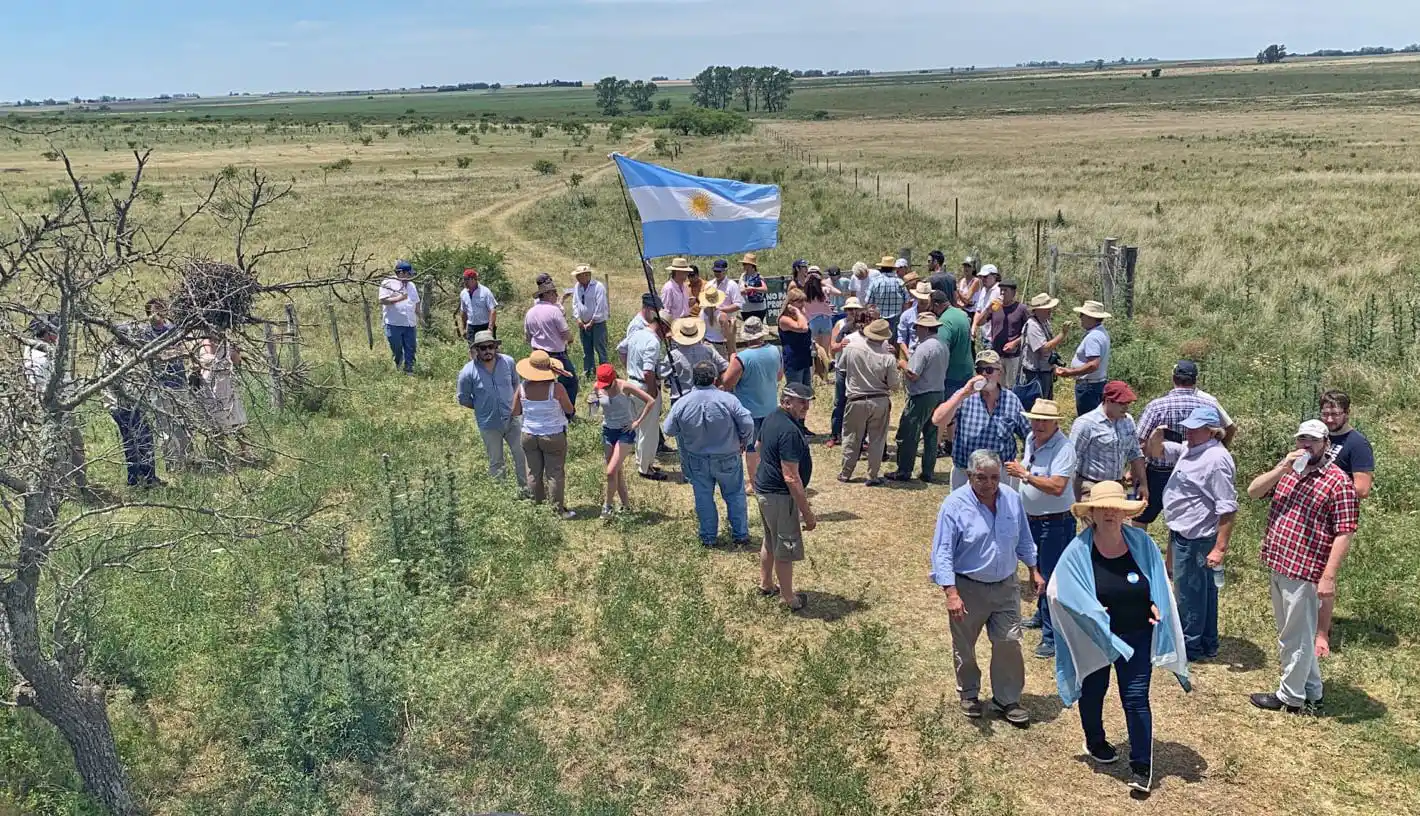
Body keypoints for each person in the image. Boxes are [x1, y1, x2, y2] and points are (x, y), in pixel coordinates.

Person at [1048, 481, 1190, 794]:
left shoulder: (1141, 542)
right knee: (1094, 690)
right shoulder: (1078, 551)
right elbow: (1057, 591)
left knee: (1136, 697)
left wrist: (1156, 603)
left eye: (1116, 507)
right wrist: (1092, 611)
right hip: (1098, 638)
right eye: (1103, 508)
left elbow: (1158, 583)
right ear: (1093, 514)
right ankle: (1095, 741)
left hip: (1138, 633)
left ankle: (1141, 766)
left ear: (1124, 512)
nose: (1110, 512)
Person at [1246, 420, 1359, 716]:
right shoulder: (1290, 471)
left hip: (1307, 569)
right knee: (1294, 631)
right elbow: (1253, 492)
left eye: (1312, 441)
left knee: (1294, 636)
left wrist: (1329, 577)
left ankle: (1290, 698)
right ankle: (1311, 690)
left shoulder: (1337, 481)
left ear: (1325, 445)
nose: (1305, 446)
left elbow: (1345, 531)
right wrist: (1281, 468)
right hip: (1280, 561)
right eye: (1301, 440)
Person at [931, 449, 1043, 726]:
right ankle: (969, 693)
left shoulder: (1012, 500)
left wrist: (1033, 570)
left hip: (1006, 586)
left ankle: (1007, 699)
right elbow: (942, 552)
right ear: (969, 476)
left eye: (994, 477)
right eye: (981, 478)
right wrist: (951, 592)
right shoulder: (954, 506)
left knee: (1008, 641)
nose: (989, 484)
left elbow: (1024, 539)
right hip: (968, 588)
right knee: (965, 645)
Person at [1144, 405, 1237, 663]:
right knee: (1201, 592)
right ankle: (1206, 642)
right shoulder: (1190, 449)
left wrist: (1219, 548)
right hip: (1185, 533)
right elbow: (1156, 451)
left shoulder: (1216, 460)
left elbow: (1227, 507)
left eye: (1195, 428)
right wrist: (1157, 433)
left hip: (1198, 537)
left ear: (1210, 431)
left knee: (1189, 594)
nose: (1188, 431)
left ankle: (1189, 646)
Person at [1004, 399, 1077, 658]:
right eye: (1035, 419)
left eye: (1044, 421)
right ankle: (1041, 614)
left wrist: (1024, 475)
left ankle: (1052, 637)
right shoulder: (1031, 439)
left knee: (1050, 578)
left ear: (1056, 422)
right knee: (1037, 573)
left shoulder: (1064, 448)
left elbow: (1057, 487)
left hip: (1055, 522)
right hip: (1033, 519)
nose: (1038, 425)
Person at [663, 361, 755, 547]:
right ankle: (740, 535)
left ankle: (708, 538)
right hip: (727, 456)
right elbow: (747, 423)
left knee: (703, 498)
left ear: (693, 379)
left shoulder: (682, 403)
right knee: (735, 495)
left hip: (697, 459)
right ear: (715, 379)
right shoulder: (728, 400)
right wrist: (744, 440)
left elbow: (669, 429)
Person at [1134, 361, 1237, 529]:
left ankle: (1137, 553)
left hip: (1158, 471)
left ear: (1173, 378)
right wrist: (1218, 449)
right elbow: (1230, 428)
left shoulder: (1157, 406)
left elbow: (1139, 443)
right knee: (1183, 523)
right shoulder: (1209, 404)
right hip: (1195, 470)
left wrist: (1135, 471)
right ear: (1195, 380)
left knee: (1140, 518)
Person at [1316, 389, 1374, 657]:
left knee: (1327, 574)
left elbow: (1362, 488)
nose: (1329, 418)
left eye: (1334, 413)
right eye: (1325, 412)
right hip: (1311, 515)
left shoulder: (1357, 443)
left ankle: (1322, 634)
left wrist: (1330, 487)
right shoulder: (1319, 436)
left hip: (1337, 518)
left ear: (1346, 414)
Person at [755, 383, 818, 611]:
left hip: (764, 491)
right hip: (779, 496)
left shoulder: (772, 417)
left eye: (808, 401)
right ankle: (788, 598)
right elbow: (791, 477)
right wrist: (807, 513)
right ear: (786, 401)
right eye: (801, 401)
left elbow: (758, 445)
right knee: (786, 546)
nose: (806, 406)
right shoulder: (790, 431)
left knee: (770, 539)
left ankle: (766, 583)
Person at [933, 350, 1029, 490]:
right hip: (966, 473)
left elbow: (1029, 434)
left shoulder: (1011, 400)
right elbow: (937, 420)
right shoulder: (965, 397)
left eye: (989, 370)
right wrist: (962, 394)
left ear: (999, 372)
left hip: (999, 475)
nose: (984, 374)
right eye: (980, 370)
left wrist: (1025, 464)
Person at [457, 330, 528, 493]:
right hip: (489, 423)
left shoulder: (509, 362)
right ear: (476, 350)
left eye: (490, 346)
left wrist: (516, 408)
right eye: (483, 348)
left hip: (513, 419)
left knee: (522, 455)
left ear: (496, 347)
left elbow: (516, 385)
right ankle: (501, 496)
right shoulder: (468, 372)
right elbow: (463, 398)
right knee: (496, 461)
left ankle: (526, 491)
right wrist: (482, 407)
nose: (487, 351)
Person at [22, 314, 88, 490]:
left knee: (74, 447)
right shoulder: (40, 357)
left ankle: (80, 485)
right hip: (55, 408)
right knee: (64, 449)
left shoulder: (41, 350)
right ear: (45, 333)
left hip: (60, 405)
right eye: (55, 331)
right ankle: (62, 489)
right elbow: (45, 387)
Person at [512, 350, 575, 519]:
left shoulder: (522, 387)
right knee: (554, 473)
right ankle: (557, 511)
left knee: (533, 473)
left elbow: (515, 411)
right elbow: (570, 409)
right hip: (553, 434)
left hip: (529, 434)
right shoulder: (557, 388)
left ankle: (539, 509)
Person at [722, 316, 782, 490]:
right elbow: (779, 376)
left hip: (749, 411)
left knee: (751, 448)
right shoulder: (775, 351)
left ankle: (755, 483)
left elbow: (727, 382)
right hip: (770, 406)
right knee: (768, 447)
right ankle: (770, 477)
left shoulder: (743, 358)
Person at [837, 318, 899, 485]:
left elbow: (841, 368)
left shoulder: (851, 348)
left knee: (851, 437)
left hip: (856, 399)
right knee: (877, 439)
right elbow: (894, 385)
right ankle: (872, 475)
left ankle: (845, 473)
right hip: (879, 400)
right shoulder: (888, 358)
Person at [888, 312, 947, 483]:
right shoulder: (942, 345)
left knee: (908, 433)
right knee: (931, 433)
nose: (916, 330)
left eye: (918, 327)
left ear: (925, 328)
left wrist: (902, 364)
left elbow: (913, 374)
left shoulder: (924, 347)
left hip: (922, 395)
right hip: (938, 392)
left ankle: (904, 470)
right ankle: (928, 471)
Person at [593, 363, 656, 519]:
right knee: (616, 472)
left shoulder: (625, 387)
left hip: (625, 433)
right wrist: (592, 405)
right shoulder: (597, 387)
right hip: (608, 431)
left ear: (614, 378)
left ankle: (607, 507)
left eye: (607, 385)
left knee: (610, 471)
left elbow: (650, 401)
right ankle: (626, 506)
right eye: (603, 386)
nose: (605, 389)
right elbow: (594, 409)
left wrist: (637, 422)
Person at [102, 333, 164, 489]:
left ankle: (142, 477)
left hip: (132, 405)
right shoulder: (113, 355)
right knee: (138, 441)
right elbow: (117, 385)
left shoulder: (125, 351)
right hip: (124, 406)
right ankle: (140, 479)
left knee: (139, 440)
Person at [141, 298, 194, 473]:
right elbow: (153, 356)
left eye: (163, 308)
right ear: (149, 312)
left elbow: (185, 350)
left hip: (179, 382)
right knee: (164, 426)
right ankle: (172, 464)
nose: (160, 312)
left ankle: (187, 459)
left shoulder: (173, 329)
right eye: (156, 309)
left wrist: (167, 353)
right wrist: (170, 353)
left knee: (184, 423)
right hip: (159, 386)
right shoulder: (145, 333)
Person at [1071, 381, 1145, 502]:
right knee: (1094, 521)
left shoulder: (1128, 421)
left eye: (1128, 403)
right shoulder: (1086, 423)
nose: (1126, 407)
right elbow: (1072, 458)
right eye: (1121, 403)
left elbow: (1135, 453)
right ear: (1108, 400)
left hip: (1116, 486)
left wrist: (1143, 484)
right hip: (1091, 487)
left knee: (1115, 521)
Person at [624, 309, 673, 482]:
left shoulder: (636, 334)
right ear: (661, 326)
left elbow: (621, 350)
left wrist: (629, 370)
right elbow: (647, 372)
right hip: (645, 386)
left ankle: (642, 461)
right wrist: (653, 391)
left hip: (632, 382)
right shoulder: (653, 342)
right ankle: (646, 468)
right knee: (649, 430)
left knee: (640, 426)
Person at [524, 277, 578, 412]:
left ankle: (540, 409)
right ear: (547, 294)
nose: (556, 295)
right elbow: (566, 334)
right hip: (556, 355)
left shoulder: (530, 313)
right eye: (554, 293)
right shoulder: (555, 311)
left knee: (539, 384)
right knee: (570, 382)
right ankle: (567, 412)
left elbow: (527, 337)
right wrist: (570, 340)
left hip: (537, 355)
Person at [196, 333, 252, 462]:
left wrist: (236, 352)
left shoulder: (227, 342)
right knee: (215, 421)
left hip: (227, 385)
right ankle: (222, 454)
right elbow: (208, 360)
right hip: (211, 385)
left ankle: (245, 452)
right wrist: (223, 360)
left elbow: (236, 361)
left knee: (236, 419)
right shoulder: (205, 342)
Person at [1054, 300, 1112, 416]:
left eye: (1083, 315)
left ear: (1091, 317)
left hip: (1088, 387)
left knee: (1087, 419)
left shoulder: (1093, 337)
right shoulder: (1101, 333)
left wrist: (1070, 372)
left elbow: (1093, 364)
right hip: (1096, 384)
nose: (1080, 317)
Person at [825, 298, 865, 448]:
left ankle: (860, 437)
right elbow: (832, 347)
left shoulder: (864, 325)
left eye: (855, 309)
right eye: (849, 309)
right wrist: (840, 345)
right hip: (843, 368)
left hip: (859, 368)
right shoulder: (840, 324)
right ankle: (835, 435)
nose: (852, 312)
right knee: (840, 402)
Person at [666, 317, 729, 401]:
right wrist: (719, 384)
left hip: (681, 398)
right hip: (707, 397)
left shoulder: (673, 355)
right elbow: (725, 367)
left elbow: (660, 374)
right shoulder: (709, 350)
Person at [1021, 293, 1068, 401]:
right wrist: (1062, 334)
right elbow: (1044, 349)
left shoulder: (1045, 322)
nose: (1050, 310)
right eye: (1046, 308)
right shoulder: (1032, 325)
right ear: (1037, 310)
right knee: (1038, 405)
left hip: (1045, 371)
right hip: (1036, 374)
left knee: (1046, 402)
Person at [379, 259, 420, 374]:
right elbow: (382, 300)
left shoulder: (411, 285)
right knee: (396, 346)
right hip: (393, 323)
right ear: (401, 273)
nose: (410, 277)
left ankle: (409, 369)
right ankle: (398, 362)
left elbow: (416, 302)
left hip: (409, 322)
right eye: (408, 274)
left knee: (410, 347)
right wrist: (398, 299)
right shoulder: (387, 283)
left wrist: (420, 316)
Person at [572, 264, 609, 379]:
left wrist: (592, 321)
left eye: (579, 275)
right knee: (586, 349)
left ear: (587, 275)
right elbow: (575, 303)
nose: (577, 278)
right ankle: (588, 371)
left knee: (600, 348)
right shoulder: (577, 286)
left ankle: (606, 373)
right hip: (582, 323)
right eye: (577, 276)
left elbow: (600, 305)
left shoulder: (598, 286)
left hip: (597, 323)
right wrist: (578, 319)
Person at [989, 280, 1028, 387]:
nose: (1002, 293)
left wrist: (1015, 343)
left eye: (1005, 291)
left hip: (1013, 356)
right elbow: (980, 322)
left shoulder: (1021, 309)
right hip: (996, 354)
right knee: (997, 386)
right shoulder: (995, 307)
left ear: (1013, 293)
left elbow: (1028, 331)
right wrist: (988, 309)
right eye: (1001, 290)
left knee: (1012, 386)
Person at [937, 289, 975, 398]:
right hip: (967, 371)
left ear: (936, 305)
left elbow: (941, 350)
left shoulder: (944, 321)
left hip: (951, 375)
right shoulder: (962, 314)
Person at [865, 255, 908, 349]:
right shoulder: (900, 283)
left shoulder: (875, 282)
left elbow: (868, 302)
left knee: (877, 344)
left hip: (878, 319)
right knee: (892, 346)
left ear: (881, 268)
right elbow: (906, 303)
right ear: (893, 269)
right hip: (896, 319)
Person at [704, 260, 743, 356]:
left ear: (725, 271)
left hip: (725, 323)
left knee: (730, 351)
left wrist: (722, 309)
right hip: (710, 319)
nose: (717, 273)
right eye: (715, 271)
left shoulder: (732, 285)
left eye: (719, 271)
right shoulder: (709, 284)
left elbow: (738, 304)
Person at [778, 288, 814, 388]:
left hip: (805, 359)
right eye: (799, 301)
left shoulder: (800, 317)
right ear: (790, 302)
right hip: (793, 361)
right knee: (796, 392)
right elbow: (803, 328)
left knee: (807, 390)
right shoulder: (784, 319)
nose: (803, 304)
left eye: (803, 301)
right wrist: (797, 311)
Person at [803, 268, 839, 362]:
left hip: (812, 321)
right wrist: (824, 283)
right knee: (825, 350)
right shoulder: (824, 290)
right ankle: (825, 373)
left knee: (815, 350)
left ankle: (816, 371)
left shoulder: (804, 293)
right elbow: (837, 292)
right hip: (825, 320)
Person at [457, 267, 499, 343]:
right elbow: (463, 312)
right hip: (471, 327)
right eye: (464, 279)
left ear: (473, 279)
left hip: (485, 326)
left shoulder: (485, 291)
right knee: (472, 350)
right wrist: (464, 328)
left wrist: (490, 328)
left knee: (488, 349)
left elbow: (492, 310)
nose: (464, 282)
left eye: (466, 279)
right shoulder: (463, 293)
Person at [617, 293, 660, 363]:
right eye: (656, 310)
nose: (657, 313)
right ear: (647, 308)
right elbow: (628, 350)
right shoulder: (636, 326)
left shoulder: (650, 322)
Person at [969, 264, 1002, 348]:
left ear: (995, 276)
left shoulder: (999, 291)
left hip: (995, 337)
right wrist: (973, 328)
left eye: (985, 276)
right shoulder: (983, 289)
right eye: (981, 277)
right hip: (985, 335)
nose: (983, 279)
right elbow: (978, 310)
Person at [895, 282, 932, 352]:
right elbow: (901, 339)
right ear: (916, 297)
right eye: (921, 299)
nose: (923, 301)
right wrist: (908, 355)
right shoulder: (906, 315)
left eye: (925, 299)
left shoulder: (935, 314)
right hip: (913, 353)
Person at [740, 253, 769, 323]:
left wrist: (752, 289)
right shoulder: (742, 276)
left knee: (758, 331)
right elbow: (740, 290)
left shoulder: (758, 277)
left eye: (745, 264)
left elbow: (765, 289)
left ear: (751, 265)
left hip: (758, 309)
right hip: (745, 309)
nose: (743, 266)